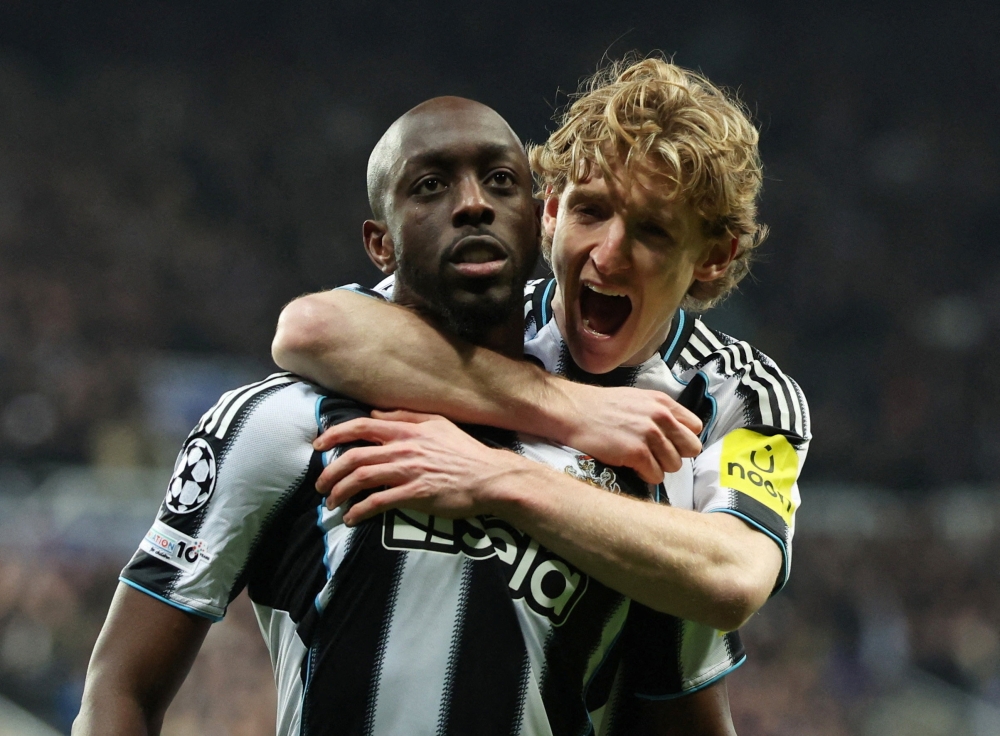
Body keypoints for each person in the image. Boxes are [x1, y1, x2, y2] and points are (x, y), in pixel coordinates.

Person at [74, 95, 737, 736]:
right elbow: (121, 687)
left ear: (539, 221)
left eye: (502, 181)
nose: (474, 203)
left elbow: (684, 719)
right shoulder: (277, 422)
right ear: (380, 245)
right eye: (429, 187)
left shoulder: (636, 474)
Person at [273, 56, 811, 729]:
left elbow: (734, 577)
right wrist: (568, 407)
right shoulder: (482, 317)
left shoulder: (741, 394)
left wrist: (500, 477)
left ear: (714, 257)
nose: (608, 256)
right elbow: (309, 330)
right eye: (591, 210)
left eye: (652, 230)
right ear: (550, 209)